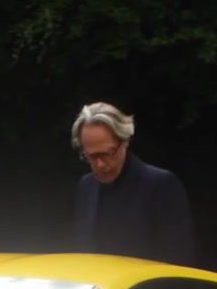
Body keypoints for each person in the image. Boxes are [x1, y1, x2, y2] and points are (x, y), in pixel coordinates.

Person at [69, 102, 199, 266]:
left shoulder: (161, 185)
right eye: (91, 157)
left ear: (125, 141)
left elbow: (179, 264)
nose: (100, 164)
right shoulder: (86, 187)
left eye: (107, 154)